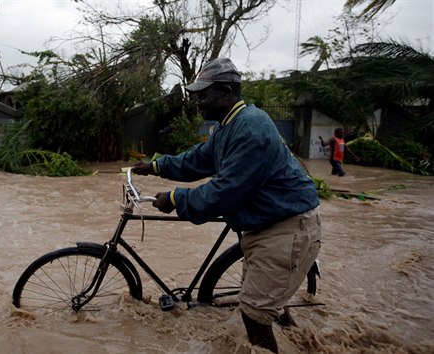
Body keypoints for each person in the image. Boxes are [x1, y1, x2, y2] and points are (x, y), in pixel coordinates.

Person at [132, 58, 321, 353]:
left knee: (254, 315)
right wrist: (156, 166)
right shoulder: (226, 127)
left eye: (203, 95)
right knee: (264, 303)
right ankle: (303, 344)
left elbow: (226, 191)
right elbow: (196, 160)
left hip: (286, 229)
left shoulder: (250, 128)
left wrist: (175, 199)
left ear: (225, 92)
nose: (198, 102)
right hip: (267, 226)